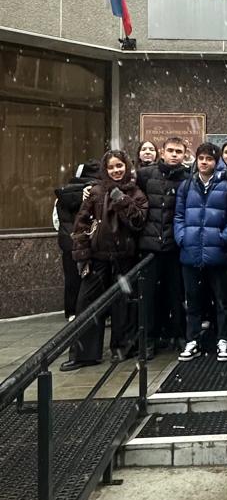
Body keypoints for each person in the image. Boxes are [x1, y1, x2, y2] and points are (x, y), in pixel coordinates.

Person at [59, 150, 148, 370]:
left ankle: (122, 348)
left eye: (120, 166)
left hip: (123, 258)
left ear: (126, 166)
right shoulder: (95, 192)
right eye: (111, 167)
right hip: (97, 258)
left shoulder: (136, 193)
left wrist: (121, 199)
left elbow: (137, 222)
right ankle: (84, 354)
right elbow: (81, 224)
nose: (116, 170)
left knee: (123, 306)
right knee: (87, 305)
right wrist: (82, 256)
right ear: (105, 170)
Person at [174, 142, 227, 362]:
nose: (204, 162)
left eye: (209, 159)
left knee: (222, 301)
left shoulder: (226, 185)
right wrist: (182, 237)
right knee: (193, 301)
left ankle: (223, 339)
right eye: (201, 158)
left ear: (216, 162)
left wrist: (223, 237)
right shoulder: (187, 185)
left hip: (218, 252)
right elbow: (179, 215)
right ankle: (193, 340)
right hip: (191, 252)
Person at [136, 136, 188, 354]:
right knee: (148, 297)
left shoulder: (188, 178)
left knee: (176, 294)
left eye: (179, 151)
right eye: (171, 150)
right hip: (150, 247)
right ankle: (149, 339)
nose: (174, 155)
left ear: (184, 154)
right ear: (163, 152)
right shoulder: (145, 175)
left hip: (175, 246)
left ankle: (178, 335)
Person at [53, 160, 101, 320]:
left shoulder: (63, 194)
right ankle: (88, 312)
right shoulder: (95, 192)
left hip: (69, 241)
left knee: (72, 277)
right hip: (88, 240)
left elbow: (56, 221)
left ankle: (71, 312)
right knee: (90, 278)